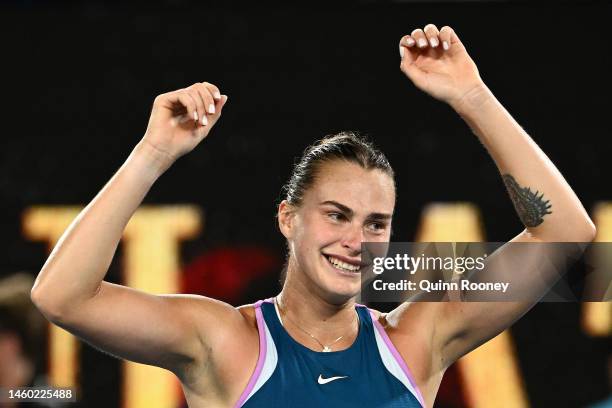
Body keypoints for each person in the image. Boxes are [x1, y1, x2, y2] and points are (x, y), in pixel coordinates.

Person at [30, 24, 596, 407]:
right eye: (337, 215)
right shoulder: (225, 341)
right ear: (287, 218)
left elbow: (566, 231)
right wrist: (153, 154)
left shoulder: (420, 338)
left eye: (376, 224)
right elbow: (62, 297)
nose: (357, 239)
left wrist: (471, 95)